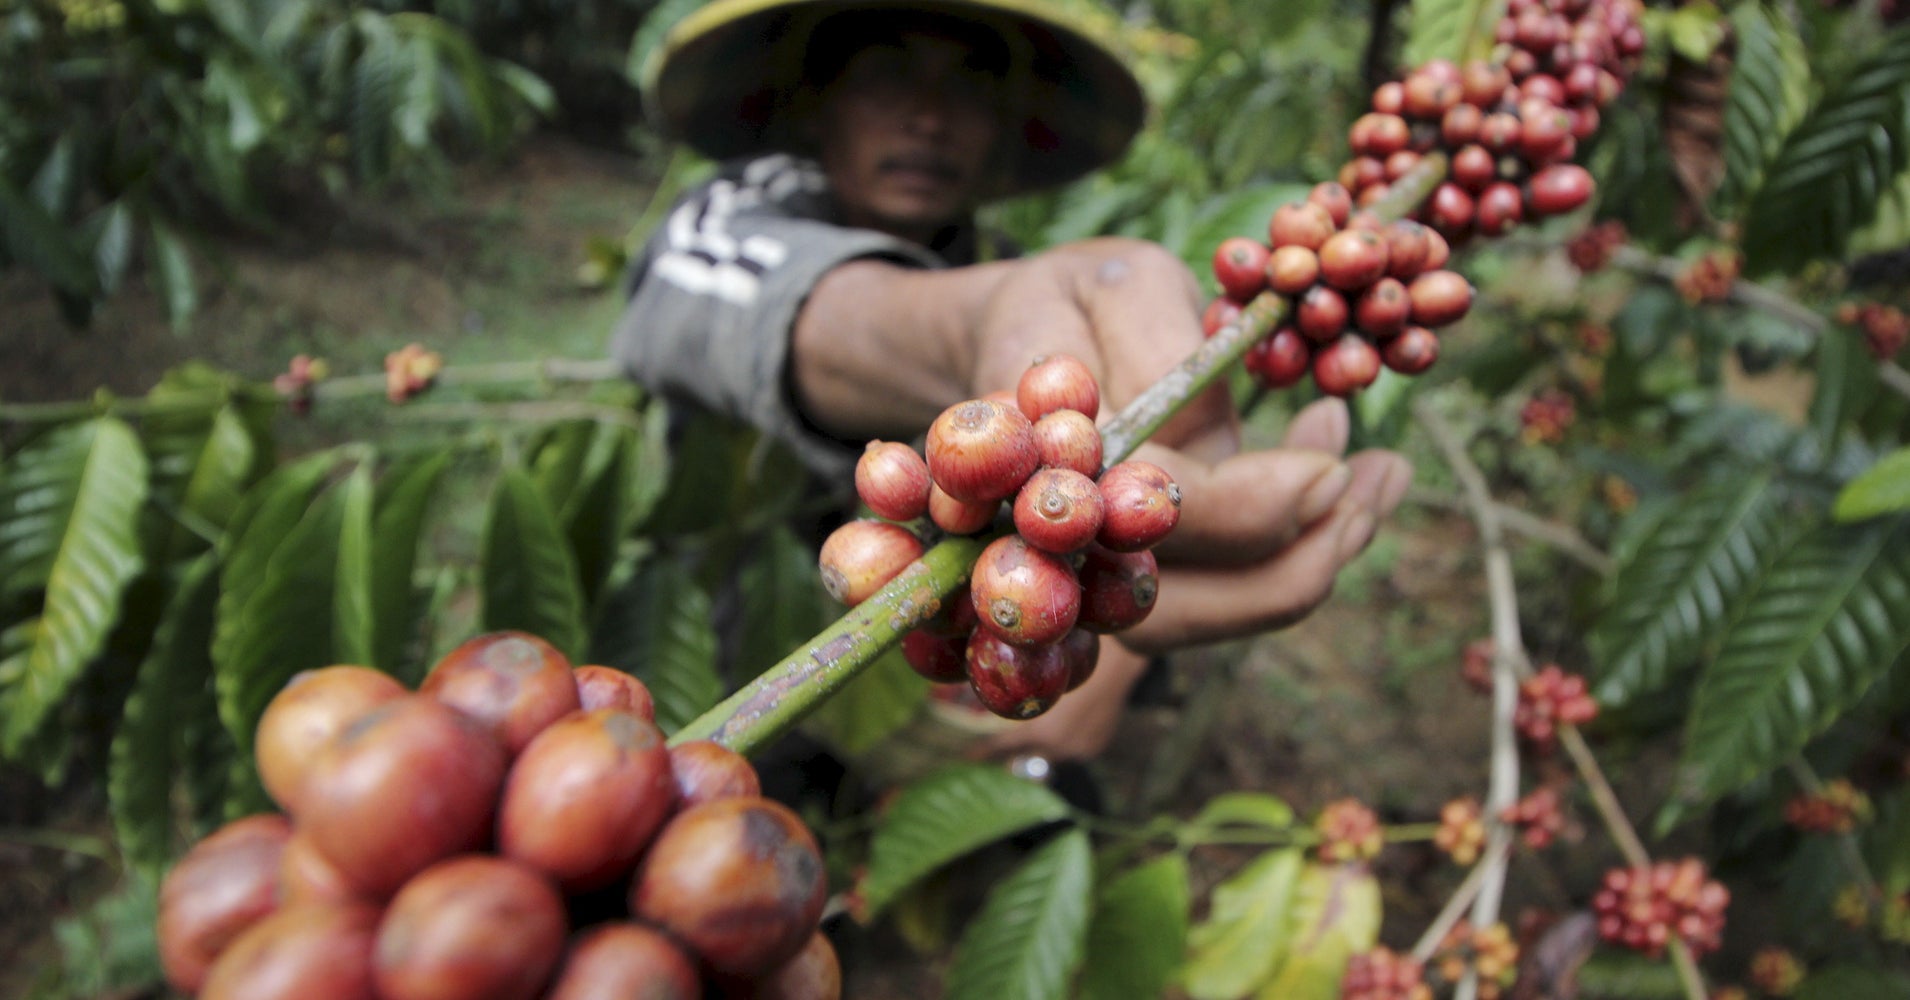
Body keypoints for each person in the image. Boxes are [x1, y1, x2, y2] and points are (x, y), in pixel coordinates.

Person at [612, 0, 1412, 767]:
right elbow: (707, 308)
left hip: (955, 679)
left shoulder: (991, 247)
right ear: (817, 101)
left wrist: (1119, 636)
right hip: (753, 646)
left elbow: (1110, 526)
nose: (928, 115)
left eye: (967, 83)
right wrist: (980, 316)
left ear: (1001, 124)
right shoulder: (730, 214)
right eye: (888, 75)